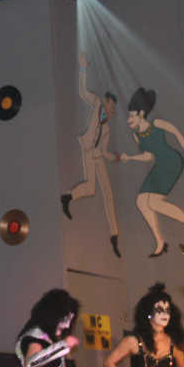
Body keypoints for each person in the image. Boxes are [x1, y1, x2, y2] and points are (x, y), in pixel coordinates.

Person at [120, 88, 184, 257]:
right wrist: (131, 158)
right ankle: (160, 242)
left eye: (131, 116)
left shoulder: (156, 124)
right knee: (141, 202)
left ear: (141, 114)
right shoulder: (137, 135)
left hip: (172, 162)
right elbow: (149, 156)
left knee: (153, 203)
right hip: (159, 165)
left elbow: (178, 134)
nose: (128, 120)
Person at [61, 54, 121, 257]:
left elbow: (104, 151)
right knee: (91, 188)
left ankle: (114, 235)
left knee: (107, 194)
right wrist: (83, 69)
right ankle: (68, 197)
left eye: (113, 109)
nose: (112, 111)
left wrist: (114, 157)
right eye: (111, 106)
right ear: (106, 102)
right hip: (88, 152)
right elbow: (82, 91)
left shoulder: (108, 129)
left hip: (98, 157)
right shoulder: (96, 103)